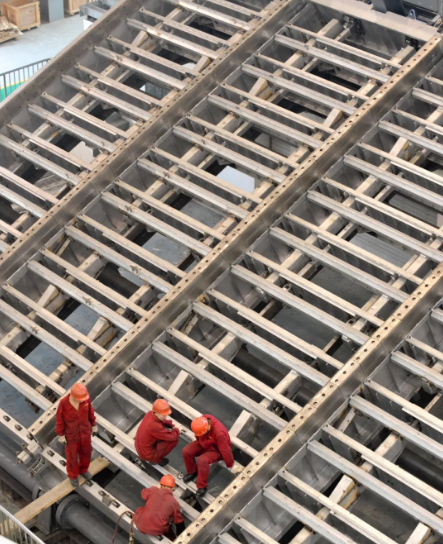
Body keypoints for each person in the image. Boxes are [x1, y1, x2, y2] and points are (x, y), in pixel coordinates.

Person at [56, 383, 98, 488]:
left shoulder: (85, 400)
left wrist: (93, 425)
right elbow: (59, 420)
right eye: (80, 399)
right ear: (73, 397)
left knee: (86, 452)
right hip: (71, 436)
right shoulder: (63, 403)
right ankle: (73, 475)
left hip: (85, 433)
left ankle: (83, 470)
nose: (82, 401)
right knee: (72, 457)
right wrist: (61, 435)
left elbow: (90, 412)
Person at [182, 415, 234, 496]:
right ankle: (192, 472)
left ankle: (202, 486)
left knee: (202, 460)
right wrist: (199, 440)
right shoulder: (202, 422)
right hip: (204, 443)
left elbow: (225, 450)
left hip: (216, 450)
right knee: (186, 451)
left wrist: (230, 464)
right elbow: (198, 436)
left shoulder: (219, 433)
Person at [133, 475, 185, 539]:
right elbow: (179, 521)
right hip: (157, 531)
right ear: (172, 488)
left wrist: (155, 487)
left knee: (140, 509)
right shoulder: (175, 503)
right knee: (167, 527)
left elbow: (143, 493)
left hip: (140, 525)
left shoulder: (153, 490)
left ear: (160, 484)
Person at [135, 399, 180, 468]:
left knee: (162, 434)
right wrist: (177, 429)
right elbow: (173, 437)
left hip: (140, 447)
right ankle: (156, 460)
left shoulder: (150, 414)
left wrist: (171, 424)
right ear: (158, 413)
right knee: (174, 441)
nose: (166, 417)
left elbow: (161, 421)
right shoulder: (155, 426)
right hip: (148, 454)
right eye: (164, 415)